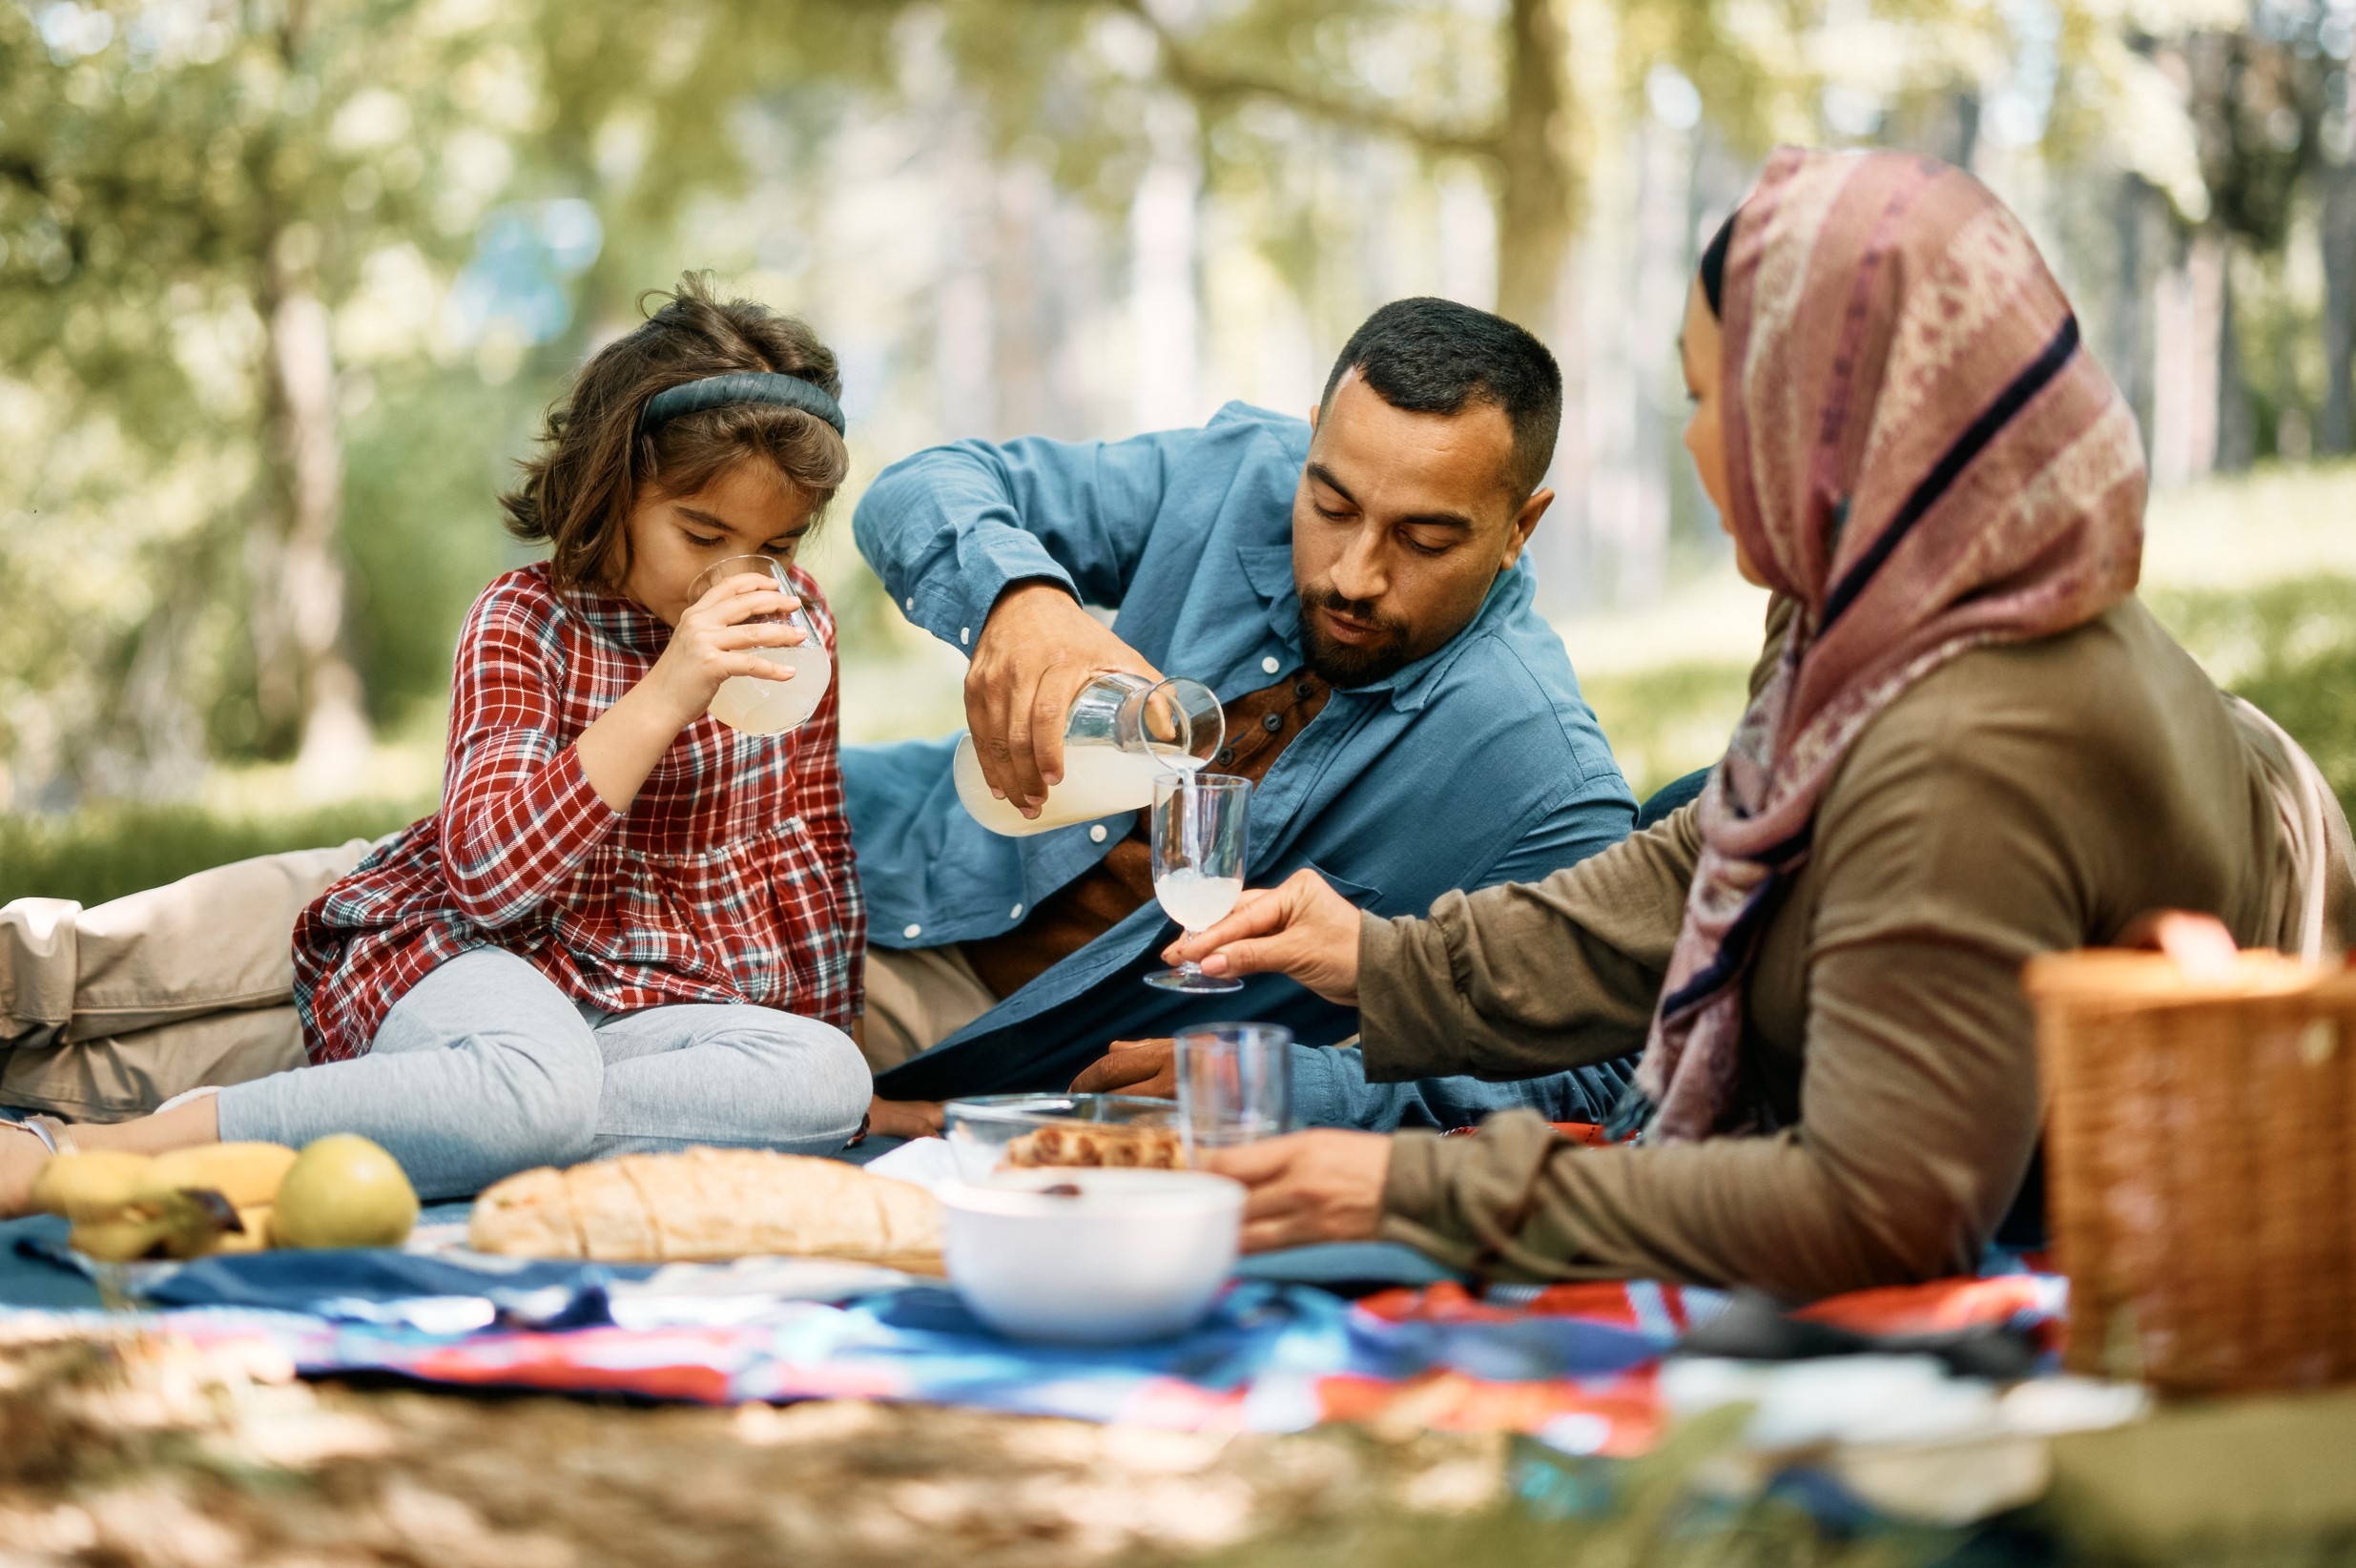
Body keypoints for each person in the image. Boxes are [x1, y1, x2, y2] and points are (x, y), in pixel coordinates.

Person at [1135, 149, 2356, 1298]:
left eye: (1711, 394)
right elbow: (1705, 861)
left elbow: (1879, 1209)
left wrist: (1418, 1193)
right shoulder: (1886, 591)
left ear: (1825, 427)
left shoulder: (1970, 752)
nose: (1692, 435)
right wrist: (1381, 960)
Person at [0, 276, 874, 1208]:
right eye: (702, 533)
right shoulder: (522, 621)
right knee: (536, 1081)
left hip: (644, 1003)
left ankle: (469, 1115)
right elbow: (491, 878)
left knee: (825, 1081)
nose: (735, 575)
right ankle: (113, 1149)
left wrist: (844, 1065)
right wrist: (667, 689)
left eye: (774, 549)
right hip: (476, 956)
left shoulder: (796, 627)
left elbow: (808, 847)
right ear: (611, 487)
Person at [849, 298, 1639, 1135]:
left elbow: (1604, 1067)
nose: (1355, 575)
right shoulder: (1236, 472)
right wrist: (1016, 598)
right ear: (1310, 448)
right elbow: (917, 486)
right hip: (863, 872)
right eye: (1331, 507)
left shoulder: (1540, 771)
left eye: (1425, 542)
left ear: (1520, 528)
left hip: (1012, 1072)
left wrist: (1291, 1085)